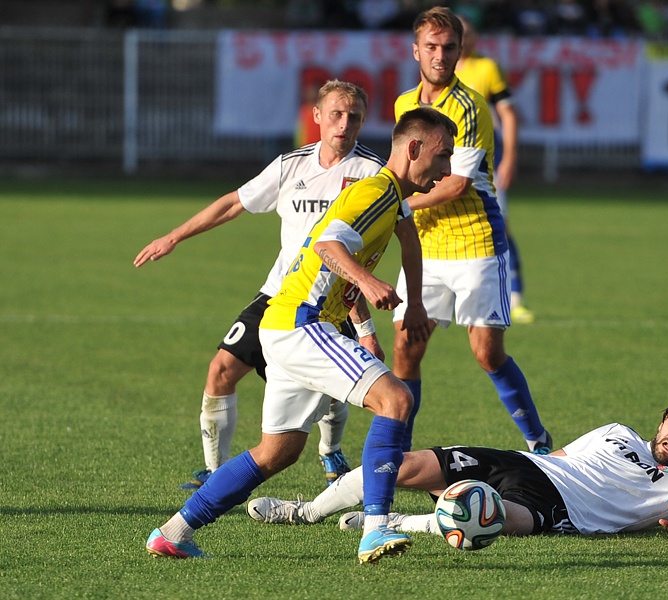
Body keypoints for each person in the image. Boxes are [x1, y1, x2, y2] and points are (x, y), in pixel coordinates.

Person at [145, 106, 457, 564]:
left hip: (284, 326)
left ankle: (174, 531)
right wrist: (370, 284)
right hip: (304, 323)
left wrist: (416, 304)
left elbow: (407, 235)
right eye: (442, 155)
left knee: (278, 452)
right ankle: (375, 530)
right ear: (414, 149)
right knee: (396, 400)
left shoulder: (391, 197)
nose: (448, 169)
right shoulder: (373, 192)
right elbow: (328, 247)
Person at [133, 81, 385, 489]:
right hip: (279, 296)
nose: (344, 124)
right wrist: (174, 236)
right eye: (336, 114)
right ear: (316, 116)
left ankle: (330, 451)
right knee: (221, 371)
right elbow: (234, 203)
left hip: (329, 304)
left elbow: (359, 254)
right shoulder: (291, 166)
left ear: (363, 121)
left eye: (353, 116)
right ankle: (216, 473)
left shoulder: (373, 174)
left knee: (328, 394)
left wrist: (364, 327)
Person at [392, 7, 552, 457]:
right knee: (406, 348)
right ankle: (398, 453)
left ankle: (538, 442)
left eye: (448, 48)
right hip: (424, 246)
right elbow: (402, 168)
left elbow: (456, 184)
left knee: (486, 353)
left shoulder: (469, 106)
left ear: (461, 52)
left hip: (475, 241)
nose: (440, 56)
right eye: (431, 47)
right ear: (416, 50)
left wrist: (396, 204)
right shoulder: (405, 103)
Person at [247, 397, 668, 540]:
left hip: (560, 508)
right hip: (522, 464)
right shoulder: (617, 432)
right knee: (395, 463)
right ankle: (307, 512)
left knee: (486, 514)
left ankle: (396, 523)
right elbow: (560, 457)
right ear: (662, 420)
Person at [455, 14, 534, 324]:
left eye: (468, 33)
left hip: (484, 162)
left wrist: (510, 156)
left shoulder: (486, 68)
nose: (464, 39)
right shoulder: (436, 72)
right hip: (447, 163)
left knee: (498, 224)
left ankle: (515, 295)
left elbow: (509, 114)